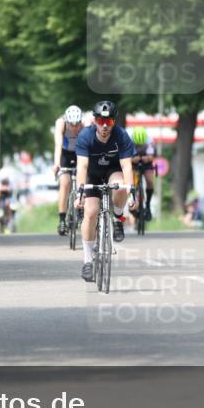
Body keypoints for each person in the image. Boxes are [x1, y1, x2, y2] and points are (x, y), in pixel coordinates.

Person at [74, 100, 136, 281]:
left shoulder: (121, 136)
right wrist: (80, 193)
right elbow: (82, 167)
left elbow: (126, 166)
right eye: (100, 121)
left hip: (113, 171)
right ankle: (87, 261)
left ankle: (117, 216)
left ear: (114, 122)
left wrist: (131, 192)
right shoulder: (85, 136)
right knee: (91, 212)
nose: (104, 126)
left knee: (119, 185)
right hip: (92, 174)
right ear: (94, 121)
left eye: (108, 122)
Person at [53, 105, 91, 235]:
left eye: (77, 125)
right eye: (72, 125)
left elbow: (91, 144)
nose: (75, 128)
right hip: (66, 153)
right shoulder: (61, 123)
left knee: (84, 177)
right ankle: (62, 220)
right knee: (64, 183)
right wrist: (56, 164)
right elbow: (58, 145)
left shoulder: (86, 123)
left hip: (81, 152)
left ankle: (81, 208)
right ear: (67, 122)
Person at [129, 127, 156, 221]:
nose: (140, 145)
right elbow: (126, 158)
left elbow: (151, 157)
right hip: (133, 162)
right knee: (131, 180)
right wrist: (132, 159)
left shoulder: (150, 141)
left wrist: (147, 158)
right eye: (138, 144)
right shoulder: (129, 141)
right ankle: (133, 200)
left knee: (150, 180)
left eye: (141, 144)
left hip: (146, 162)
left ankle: (147, 205)